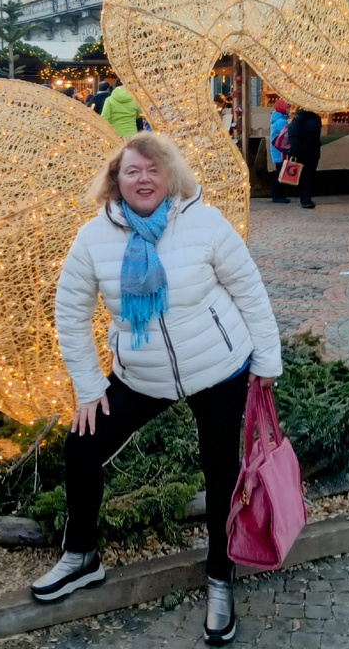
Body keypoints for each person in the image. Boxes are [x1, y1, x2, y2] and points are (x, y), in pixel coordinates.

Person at [32, 133, 282, 646]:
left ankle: (219, 577)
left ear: (169, 176)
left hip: (218, 365)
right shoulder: (93, 239)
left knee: (220, 471)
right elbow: (71, 315)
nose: (143, 179)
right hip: (141, 374)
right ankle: (82, 556)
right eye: (132, 171)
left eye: (152, 169)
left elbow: (248, 289)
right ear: (115, 181)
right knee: (82, 447)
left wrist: (266, 361)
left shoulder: (204, 224)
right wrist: (88, 386)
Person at [287, 108, 322, 209]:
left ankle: (304, 198)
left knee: (302, 175)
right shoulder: (316, 119)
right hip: (314, 151)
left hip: (301, 151)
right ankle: (307, 198)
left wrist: (294, 151)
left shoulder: (298, 119)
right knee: (309, 175)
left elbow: (293, 135)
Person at [268, 98, 290, 204]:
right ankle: (277, 195)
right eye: (287, 107)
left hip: (277, 151)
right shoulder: (282, 121)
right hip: (280, 152)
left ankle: (277, 194)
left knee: (279, 172)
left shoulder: (277, 119)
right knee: (280, 174)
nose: (289, 109)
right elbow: (285, 136)